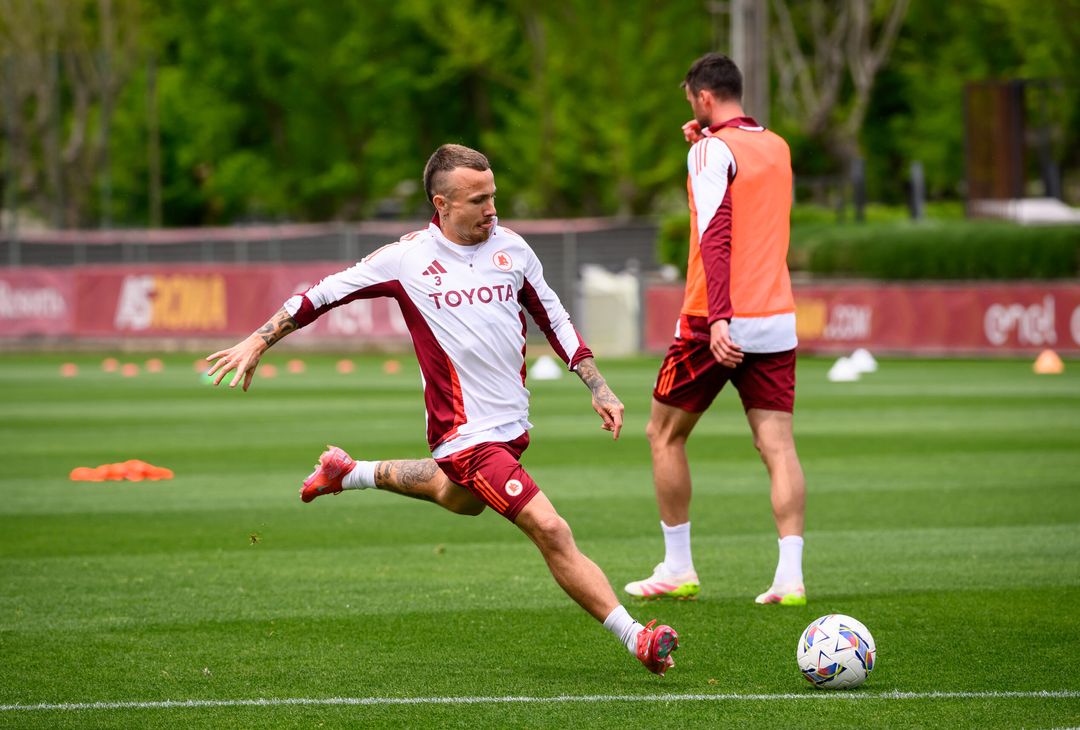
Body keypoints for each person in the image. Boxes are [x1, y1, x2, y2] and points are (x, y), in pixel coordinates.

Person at [206, 143, 680, 675]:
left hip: (510, 428)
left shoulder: (514, 249)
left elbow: (555, 316)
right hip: (465, 435)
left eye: (494, 196)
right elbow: (320, 296)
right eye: (478, 200)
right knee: (550, 529)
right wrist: (258, 340)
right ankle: (636, 636)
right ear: (442, 204)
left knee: (459, 499)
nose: (492, 209)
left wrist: (597, 384)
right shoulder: (405, 260)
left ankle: (350, 472)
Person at [623, 53, 807, 606]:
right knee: (777, 445)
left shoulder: (710, 150)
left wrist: (722, 317)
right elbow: (747, 208)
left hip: (714, 318)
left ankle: (678, 568)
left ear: (703, 98)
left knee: (663, 434)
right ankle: (790, 577)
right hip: (777, 314)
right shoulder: (775, 146)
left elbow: (716, 235)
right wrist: (701, 148)